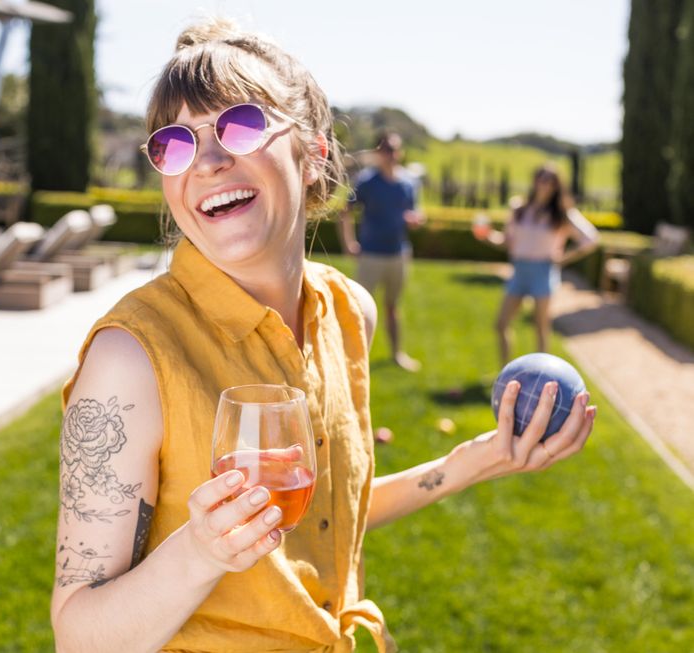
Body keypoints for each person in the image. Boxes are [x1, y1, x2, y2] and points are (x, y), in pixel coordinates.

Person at [51, 18, 596, 653]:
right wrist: (201, 550)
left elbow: (328, 514)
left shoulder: (348, 312)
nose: (207, 161)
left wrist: (464, 467)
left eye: (240, 125)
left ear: (312, 154)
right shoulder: (130, 358)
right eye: (173, 144)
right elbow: (81, 638)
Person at [473, 164, 599, 367]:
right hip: (520, 270)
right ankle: (507, 374)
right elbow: (507, 241)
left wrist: (563, 257)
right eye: (541, 177)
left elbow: (591, 239)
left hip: (543, 271)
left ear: (557, 185)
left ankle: (542, 378)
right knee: (502, 323)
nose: (544, 183)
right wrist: (487, 236)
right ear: (534, 180)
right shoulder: (519, 209)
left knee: (541, 327)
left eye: (550, 180)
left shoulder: (562, 214)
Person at [338, 133, 425, 372]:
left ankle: (397, 355)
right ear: (379, 152)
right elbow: (345, 211)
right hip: (371, 255)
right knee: (358, 308)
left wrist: (415, 220)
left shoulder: (408, 183)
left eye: (394, 149)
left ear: (401, 152)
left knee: (392, 306)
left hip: (398, 254)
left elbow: (414, 212)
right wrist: (349, 242)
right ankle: (351, 359)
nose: (390, 154)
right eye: (386, 149)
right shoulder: (367, 182)